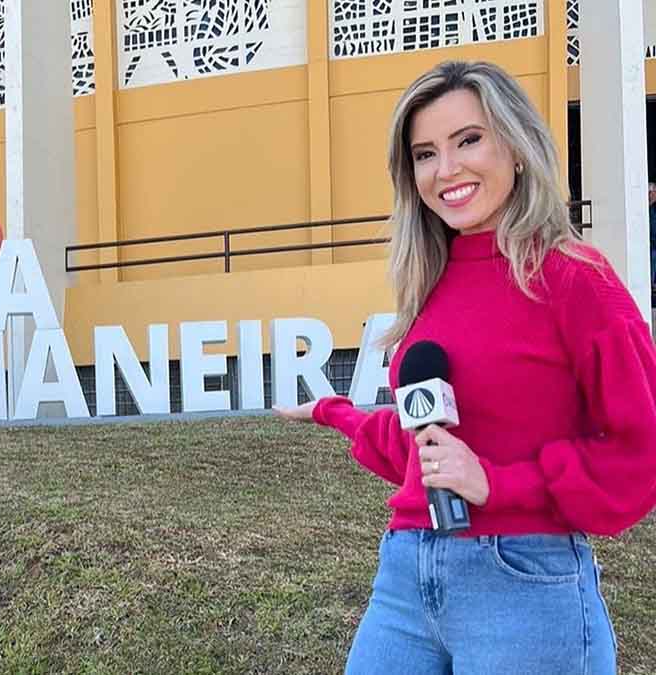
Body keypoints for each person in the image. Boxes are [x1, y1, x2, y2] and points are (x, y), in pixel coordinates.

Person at [276, 61, 656, 674]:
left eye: (469, 140)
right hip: (406, 573)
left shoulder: (575, 279)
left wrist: (499, 484)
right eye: (425, 153)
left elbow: (641, 449)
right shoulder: (430, 284)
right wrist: (331, 412)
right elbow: (419, 441)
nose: (446, 170)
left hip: (522, 582)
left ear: (517, 146)